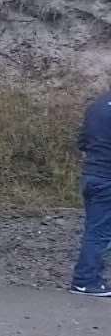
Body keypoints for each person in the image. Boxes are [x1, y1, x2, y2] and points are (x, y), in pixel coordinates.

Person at [71, 90, 111, 296]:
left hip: (91, 175)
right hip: (107, 179)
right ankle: (85, 280)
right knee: (98, 233)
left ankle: (89, 278)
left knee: (95, 230)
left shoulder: (96, 106)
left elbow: (82, 141)